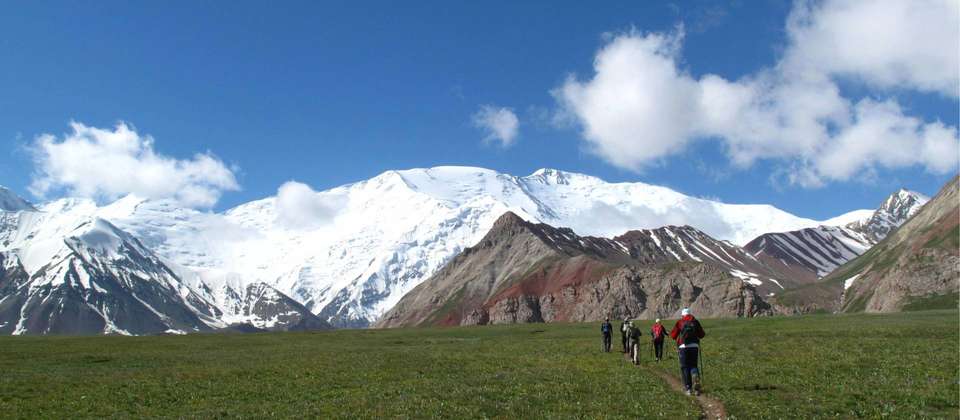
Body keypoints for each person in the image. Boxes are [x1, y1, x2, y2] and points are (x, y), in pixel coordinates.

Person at [670, 308, 706, 396]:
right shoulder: (695, 321)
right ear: (690, 314)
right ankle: (696, 381)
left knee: (685, 367)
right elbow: (702, 335)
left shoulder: (680, 322)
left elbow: (673, 335)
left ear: (682, 315)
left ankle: (688, 388)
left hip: (683, 347)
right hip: (694, 346)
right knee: (693, 365)